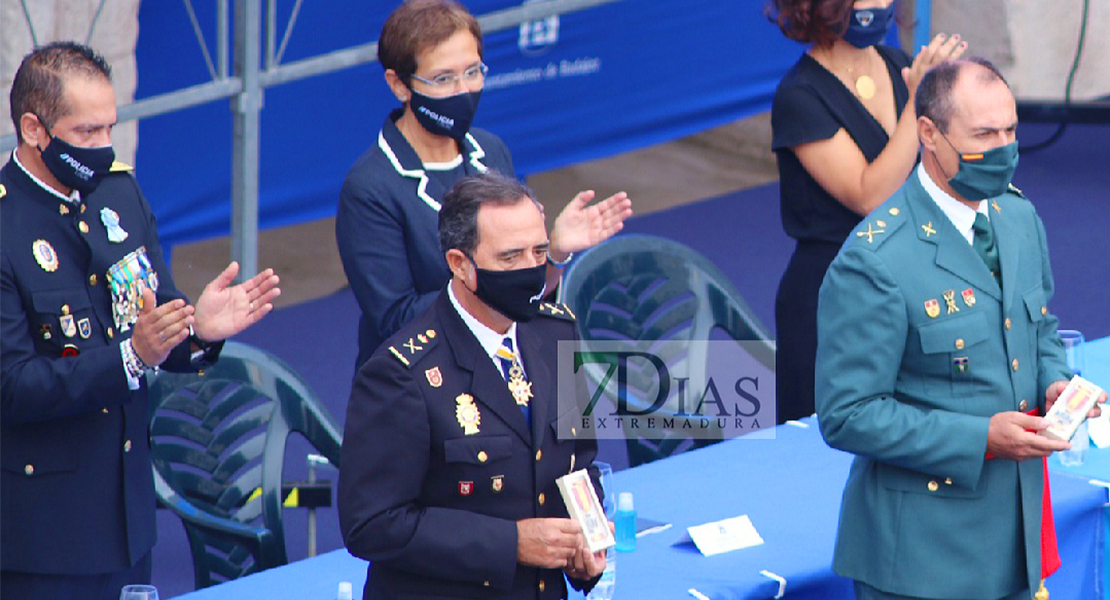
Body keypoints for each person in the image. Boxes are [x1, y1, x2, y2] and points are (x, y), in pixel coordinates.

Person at [815, 58, 1106, 600]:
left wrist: (1053, 382)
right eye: (983, 134)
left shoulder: (1017, 218)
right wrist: (981, 438)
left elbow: (1037, 326)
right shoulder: (876, 259)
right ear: (929, 133)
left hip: (1013, 540)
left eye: (1011, 130)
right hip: (924, 558)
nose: (1003, 148)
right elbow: (848, 415)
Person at [1, 42, 281, 599]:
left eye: (111, 128)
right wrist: (132, 358)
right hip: (43, 537)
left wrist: (196, 330)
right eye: (86, 133)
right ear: (34, 128)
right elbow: (12, 386)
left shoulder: (120, 193)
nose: (104, 147)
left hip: (128, 520)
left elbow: (152, 323)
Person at [339, 172, 604, 600]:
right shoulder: (401, 373)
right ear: (460, 264)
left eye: (539, 252)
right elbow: (372, 524)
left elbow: (579, 462)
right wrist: (512, 544)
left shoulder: (556, 333)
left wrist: (586, 539)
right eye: (510, 258)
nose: (531, 270)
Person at [336, 0, 632, 368]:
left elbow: (525, 292)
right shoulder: (369, 189)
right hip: (424, 383)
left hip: (510, 363)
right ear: (399, 85)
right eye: (443, 79)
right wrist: (492, 279)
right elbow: (397, 319)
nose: (464, 90)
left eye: (473, 72)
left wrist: (551, 254)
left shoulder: (491, 151)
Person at [766, 0, 966, 423]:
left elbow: (942, 171)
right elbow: (869, 195)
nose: (879, 5)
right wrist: (918, 104)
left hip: (903, 282)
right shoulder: (799, 95)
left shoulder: (898, 65)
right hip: (831, 293)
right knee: (827, 448)